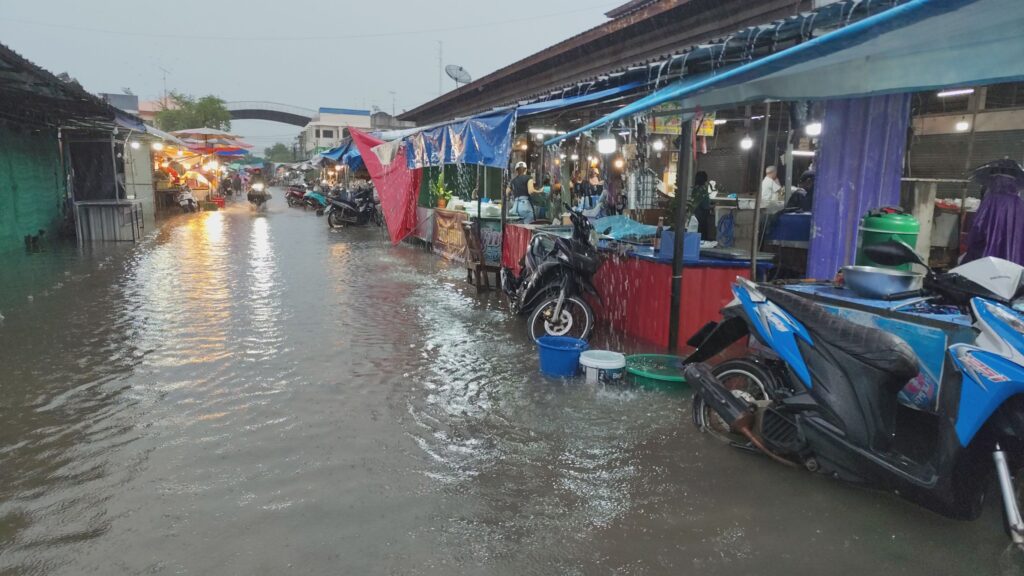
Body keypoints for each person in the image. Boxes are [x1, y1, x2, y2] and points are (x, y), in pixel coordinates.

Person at [963, 161, 1024, 266]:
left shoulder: (990, 200)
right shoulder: (1018, 203)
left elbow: (978, 226)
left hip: (985, 254)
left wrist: (972, 241)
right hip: (1013, 253)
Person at [688, 171, 713, 238]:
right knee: (702, 234)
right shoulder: (703, 190)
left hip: (694, 215)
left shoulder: (694, 189)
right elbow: (705, 205)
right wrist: (711, 206)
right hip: (702, 216)